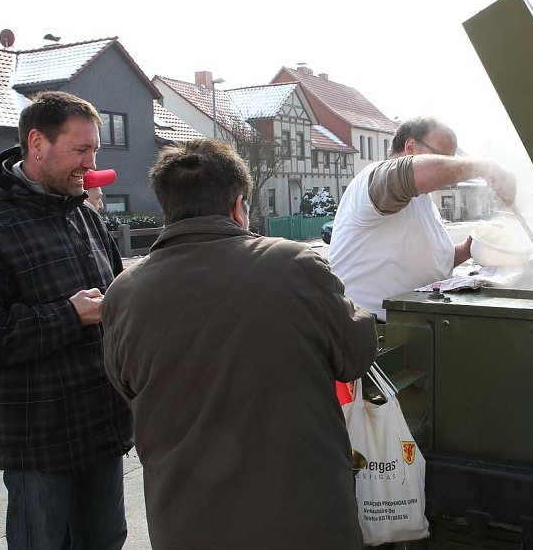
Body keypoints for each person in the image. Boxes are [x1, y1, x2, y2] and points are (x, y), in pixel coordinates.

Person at [101, 138, 378, 550]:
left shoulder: (123, 292)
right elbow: (354, 356)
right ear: (238, 206)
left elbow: (124, 384)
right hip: (303, 519)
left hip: (185, 524)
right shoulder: (294, 264)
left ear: (167, 207)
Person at [0, 91, 131, 549]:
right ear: (37, 143)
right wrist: (68, 315)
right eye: (81, 149)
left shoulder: (86, 217)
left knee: (107, 540)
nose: (91, 164)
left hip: (101, 429)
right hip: (37, 442)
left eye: (94, 150)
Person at [329, 116, 517, 321]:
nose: (450, 169)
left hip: (414, 321)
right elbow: (407, 172)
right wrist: (484, 167)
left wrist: (468, 248)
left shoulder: (423, 200)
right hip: (371, 327)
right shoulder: (372, 179)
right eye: (443, 158)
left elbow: (430, 263)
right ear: (411, 147)